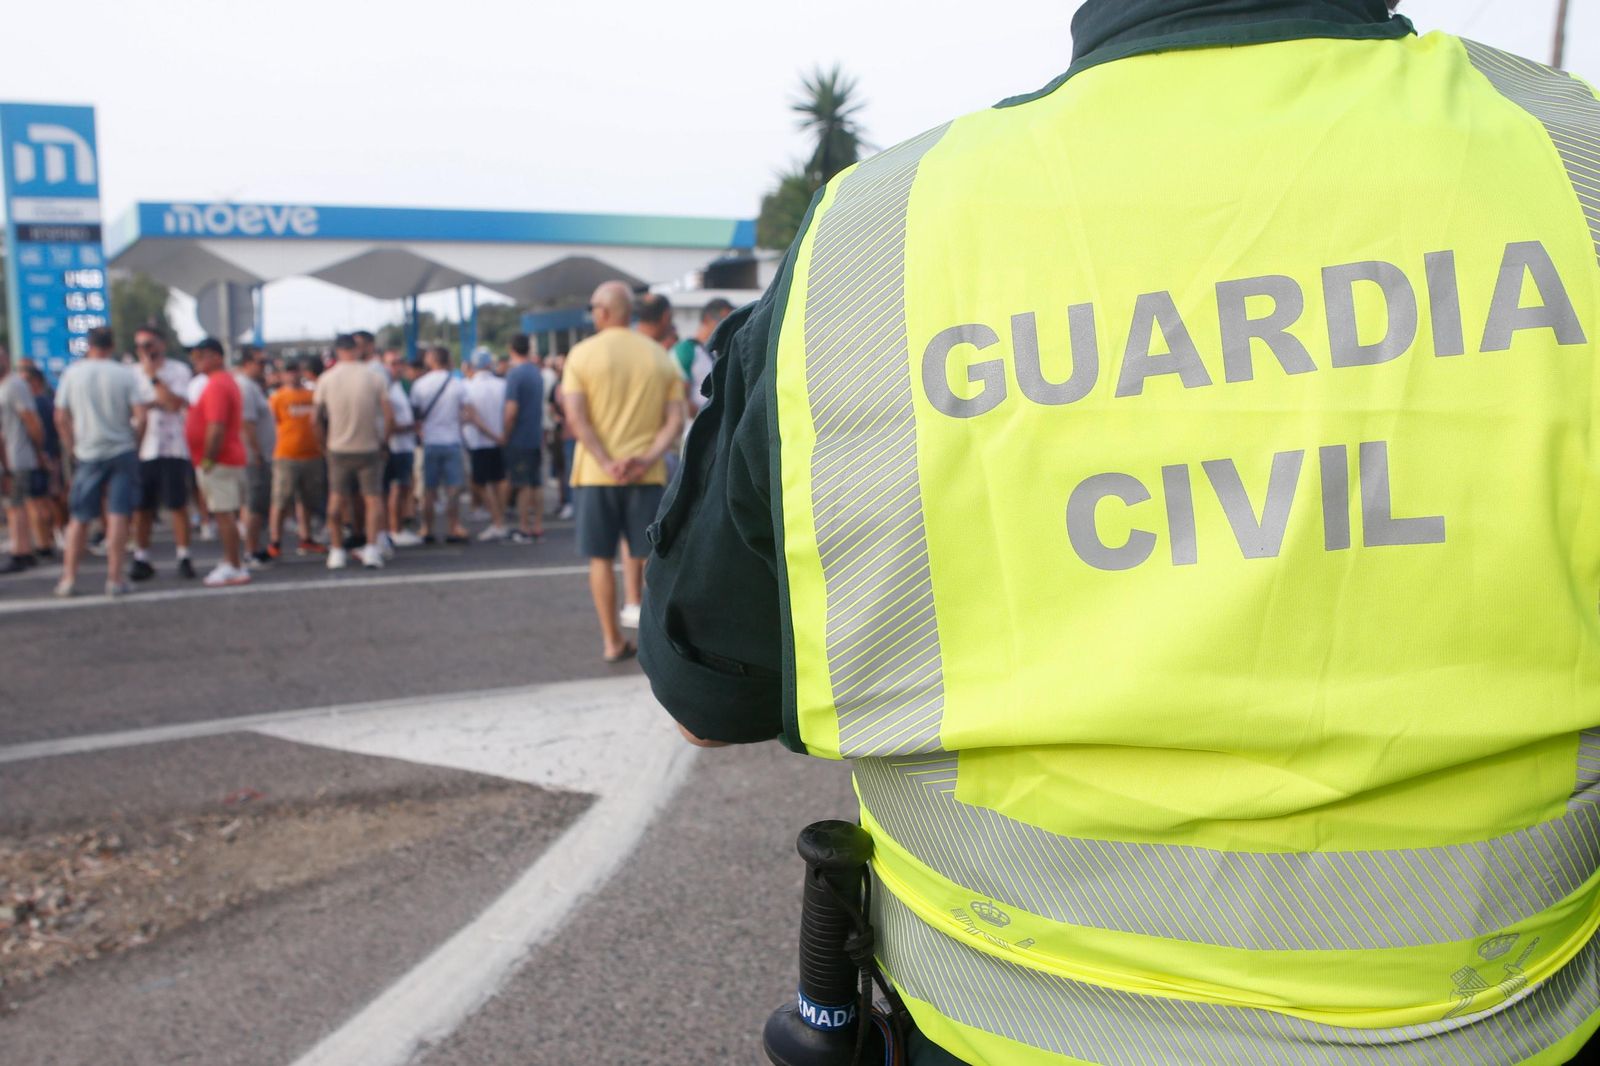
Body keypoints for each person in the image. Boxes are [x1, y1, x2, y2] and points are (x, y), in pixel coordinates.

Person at [641, 2, 1600, 1063]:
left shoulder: (870, 248)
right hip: (1504, 1017)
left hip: (996, 1026)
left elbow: (708, 693)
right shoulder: (1575, 163)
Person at [562, 281, 684, 661]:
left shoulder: (581, 355)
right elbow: (675, 421)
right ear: (628, 312)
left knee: (600, 558)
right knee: (649, 556)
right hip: (645, 475)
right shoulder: (658, 356)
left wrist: (605, 460)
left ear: (602, 312)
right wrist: (646, 459)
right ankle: (654, 642)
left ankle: (612, 640)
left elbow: (576, 418)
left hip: (596, 475)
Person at [53, 328, 145, 597]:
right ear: (112, 345)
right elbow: (141, 415)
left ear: (89, 345)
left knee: (79, 518)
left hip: (88, 452)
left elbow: (61, 417)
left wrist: (72, 447)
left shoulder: (73, 373)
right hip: (121, 450)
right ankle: (115, 578)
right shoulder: (123, 374)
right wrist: (134, 443)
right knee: (118, 515)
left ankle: (69, 578)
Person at [312, 333, 391, 569]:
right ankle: (372, 548)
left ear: (337, 351)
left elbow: (314, 419)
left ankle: (336, 550)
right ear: (356, 349)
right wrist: (383, 441)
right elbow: (390, 415)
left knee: (336, 501)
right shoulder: (374, 376)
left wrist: (323, 445)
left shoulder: (326, 379)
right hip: (368, 447)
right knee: (373, 500)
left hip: (338, 448)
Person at [183, 339, 251, 588]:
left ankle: (233, 565)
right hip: (224, 458)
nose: (195, 361)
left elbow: (216, 426)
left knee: (224, 516)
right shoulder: (221, 382)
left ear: (215, 356)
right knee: (226, 515)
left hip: (220, 460)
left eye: (200, 355)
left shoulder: (217, 385)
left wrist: (208, 458)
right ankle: (231, 561)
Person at [130, 326, 196, 580]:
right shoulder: (131, 373)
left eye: (149, 344)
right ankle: (141, 556)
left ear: (161, 344)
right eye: (140, 346)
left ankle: (184, 555)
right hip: (143, 447)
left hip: (173, 446)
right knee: (142, 507)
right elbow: (134, 407)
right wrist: (155, 400)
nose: (145, 351)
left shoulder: (178, 370)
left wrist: (155, 379)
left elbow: (175, 403)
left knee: (177, 504)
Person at [268, 358, 327, 557]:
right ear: (282, 375)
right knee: (281, 500)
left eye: (295, 370)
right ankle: (275, 541)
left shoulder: (312, 395)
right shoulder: (277, 398)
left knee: (307, 500)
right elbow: (271, 425)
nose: (292, 374)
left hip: (312, 455)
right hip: (286, 456)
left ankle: (306, 537)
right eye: (288, 371)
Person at [411, 345, 468, 543]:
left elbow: (415, 416)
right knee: (453, 488)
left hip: (430, 441)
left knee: (429, 489)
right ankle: (454, 527)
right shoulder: (457, 384)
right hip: (452, 440)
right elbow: (465, 412)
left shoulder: (420, 385)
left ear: (432, 360)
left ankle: (427, 528)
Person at [0, 347, 46, 573]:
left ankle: (21, 552)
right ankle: (24, 550)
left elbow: (32, 421)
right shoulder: (6, 386)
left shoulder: (14, 386)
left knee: (16, 506)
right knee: (16, 506)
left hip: (16, 457)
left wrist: (39, 451)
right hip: (10, 456)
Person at [502, 332, 546, 542]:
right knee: (536, 483)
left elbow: (511, 410)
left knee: (522, 484)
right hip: (535, 435)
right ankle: (537, 525)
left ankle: (524, 527)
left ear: (511, 349)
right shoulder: (536, 373)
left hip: (519, 437)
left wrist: (505, 434)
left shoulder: (515, 374)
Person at [234, 346, 275, 566]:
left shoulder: (251, 386)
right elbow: (246, 423)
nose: (263, 367)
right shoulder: (245, 387)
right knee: (255, 506)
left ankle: (253, 547)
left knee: (253, 505)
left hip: (256, 455)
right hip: (253, 457)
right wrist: (257, 452)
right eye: (260, 363)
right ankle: (251, 550)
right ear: (247, 363)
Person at [462, 347, 509, 541]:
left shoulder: (468, 387)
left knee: (481, 482)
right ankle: (500, 517)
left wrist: (490, 433)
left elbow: (470, 417)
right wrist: (501, 435)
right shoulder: (503, 385)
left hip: (479, 441)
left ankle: (497, 520)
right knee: (500, 479)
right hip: (500, 439)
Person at [382, 349, 422, 548]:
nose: (398, 366)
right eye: (393, 363)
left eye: (399, 362)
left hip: (404, 445)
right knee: (397, 488)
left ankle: (397, 527)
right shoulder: (387, 388)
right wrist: (409, 427)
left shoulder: (398, 386)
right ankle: (394, 529)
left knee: (404, 487)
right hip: (396, 446)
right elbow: (388, 421)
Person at [673, 298, 734, 417]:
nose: (728, 327)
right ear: (707, 319)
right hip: (692, 428)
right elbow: (680, 397)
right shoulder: (687, 349)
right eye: (723, 321)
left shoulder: (724, 352)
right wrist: (707, 419)